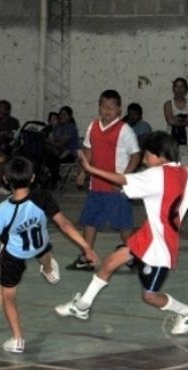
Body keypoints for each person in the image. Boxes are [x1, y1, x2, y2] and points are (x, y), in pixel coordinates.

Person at [55, 131, 188, 335]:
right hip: (148, 235)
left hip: (160, 246)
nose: (145, 161)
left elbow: (122, 180)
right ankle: (83, 306)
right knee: (111, 262)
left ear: (160, 155)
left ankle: (187, 312)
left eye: (147, 155)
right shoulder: (186, 174)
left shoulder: (156, 175)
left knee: (149, 296)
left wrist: (91, 169)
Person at [0, 156, 98, 353]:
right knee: (45, 249)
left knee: (9, 296)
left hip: (14, 255)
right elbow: (64, 224)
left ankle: (18, 339)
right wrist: (86, 247)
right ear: (32, 178)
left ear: (5, 180)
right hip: (40, 245)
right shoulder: (42, 197)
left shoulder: (3, 211)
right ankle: (49, 270)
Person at [67, 90, 141, 271]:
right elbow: (87, 151)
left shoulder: (125, 130)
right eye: (104, 106)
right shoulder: (92, 126)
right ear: (99, 107)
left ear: (119, 109)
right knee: (89, 221)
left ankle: (137, 255)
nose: (108, 110)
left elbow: (136, 155)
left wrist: (123, 179)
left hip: (116, 189)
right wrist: (83, 171)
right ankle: (87, 256)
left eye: (112, 107)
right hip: (96, 186)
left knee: (123, 225)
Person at [45, 105, 80, 187]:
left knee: (49, 156)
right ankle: (53, 178)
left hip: (69, 154)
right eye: (60, 114)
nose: (61, 116)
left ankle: (54, 179)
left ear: (70, 116)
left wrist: (48, 141)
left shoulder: (71, 128)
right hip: (57, 153)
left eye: (64, 114)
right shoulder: (58, 127)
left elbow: (61, 143)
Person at [163, 77, 188, 146]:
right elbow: (170, 121)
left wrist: (177, 118)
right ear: (173, 89)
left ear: (186, 89)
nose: (179, 90)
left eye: (181, 87)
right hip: (171, 140)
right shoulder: (168, 104)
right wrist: (187, 119)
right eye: (176, 87)